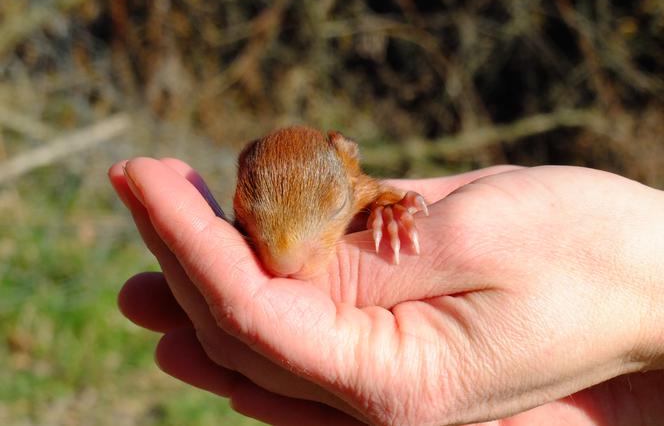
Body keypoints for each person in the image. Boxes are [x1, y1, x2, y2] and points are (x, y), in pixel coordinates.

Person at [109, 157, 664, 426]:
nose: (283, 262)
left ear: (346, 171)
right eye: (251, 225)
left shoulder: (366, 195)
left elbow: (387, 201)